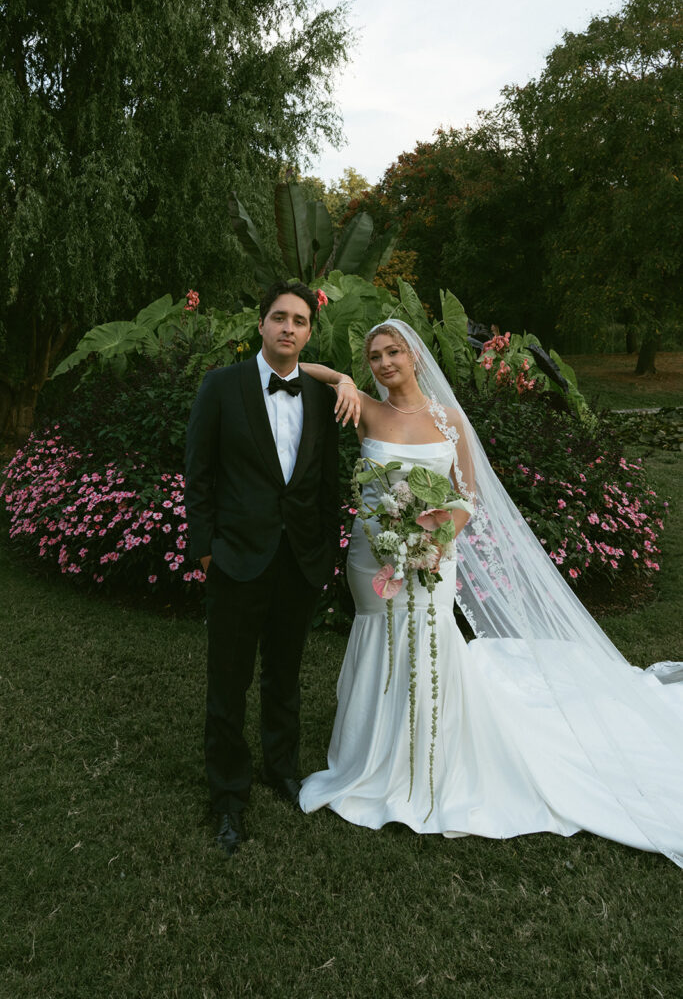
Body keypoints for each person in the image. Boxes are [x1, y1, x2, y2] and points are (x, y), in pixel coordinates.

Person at [298, 319, 683, 868]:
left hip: (433, 555)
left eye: (394, 353)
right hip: (372, 555)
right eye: (374, 356)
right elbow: (296, 368)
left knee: (428, 644)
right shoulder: (365, 408)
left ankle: (426, 760)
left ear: (414, 358)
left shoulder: (449, 420)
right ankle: (368, 754)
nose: (384, 363)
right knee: (378, 637)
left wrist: (437, 538)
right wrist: (338, 377)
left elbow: (468, 497)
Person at [184, 281, 355, 857]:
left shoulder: (321, 396)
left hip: (298, 561)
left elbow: (327, 482)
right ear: (260, 326)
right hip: (235, 558)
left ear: (310, 332)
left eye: (300, 321)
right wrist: (206, 549)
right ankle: (228, 793)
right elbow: (199, 474)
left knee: (284, 673)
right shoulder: (221, 387)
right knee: (228, 679)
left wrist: (324, 551)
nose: (288, 328)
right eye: (279, 318)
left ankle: (282, 767)